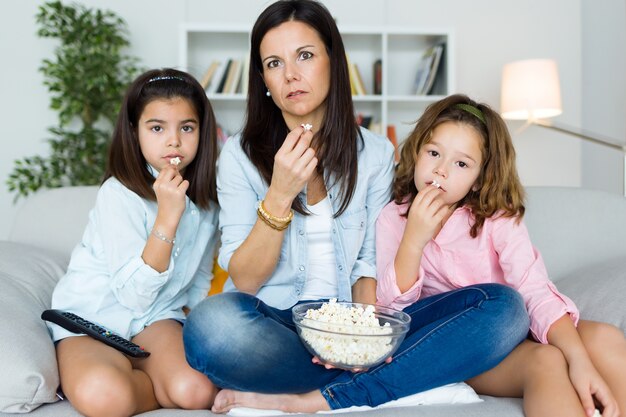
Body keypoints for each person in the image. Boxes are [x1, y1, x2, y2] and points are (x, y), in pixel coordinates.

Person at [183, 1, 529, 414]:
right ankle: (403, 375)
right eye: (274, 64)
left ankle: (328, 394)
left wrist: (359, 342)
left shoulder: (376, 153)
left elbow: (370, 262)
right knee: (211, 327)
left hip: (364, 325)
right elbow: (245, 280)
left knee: (505, 308)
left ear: (334, 60)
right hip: (283, 330)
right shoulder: (238, 157)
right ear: (263, 82)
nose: (291, 74)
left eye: (306, 56)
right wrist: (278, 194)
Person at [376, 93, 626, 417]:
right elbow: (391, 316)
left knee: (604, 338)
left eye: (461, 163)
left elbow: (534, 289)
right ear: (417, 151)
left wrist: (579, 362)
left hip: (516, 332)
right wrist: (413, 240)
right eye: (434, 153)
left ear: (479, 180)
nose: (440, 171)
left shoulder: (497, 219)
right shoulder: (393, 219)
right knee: (546, 360)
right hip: (460, 349)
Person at [47, 68, 220, 417]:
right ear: (135, 132)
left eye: (186, 128)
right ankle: (125, 380)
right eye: (157, 128)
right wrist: (167, 218)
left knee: (197, 391)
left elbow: (199, 279)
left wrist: (182, 327)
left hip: (156, 319)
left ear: (203, 133)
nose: (173, 141)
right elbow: (132, 296)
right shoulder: (118, 194)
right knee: (107, 397)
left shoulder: (208, 204)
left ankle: (137, 378)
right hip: (92, 319)